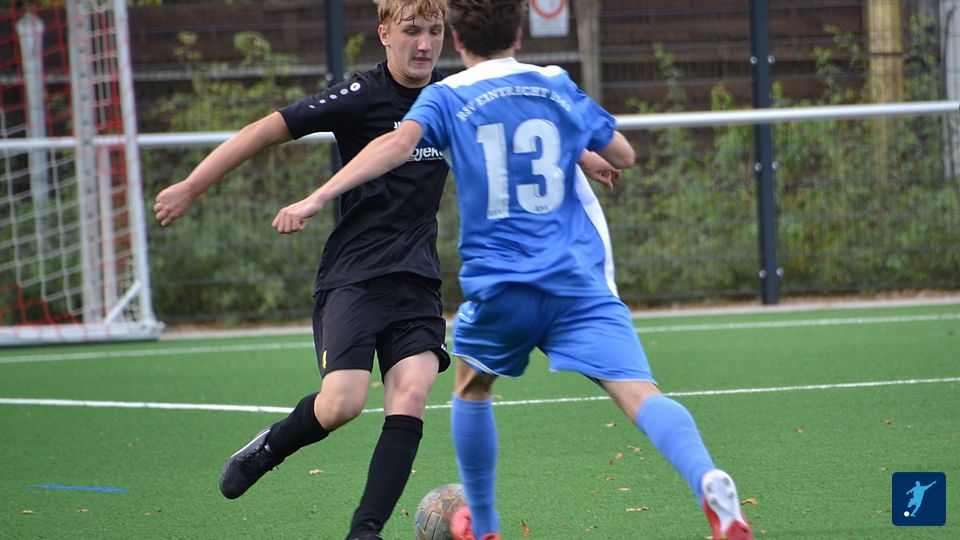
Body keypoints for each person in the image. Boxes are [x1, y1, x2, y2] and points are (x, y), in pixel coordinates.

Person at [268, 1, 753, 539]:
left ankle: (485, 524)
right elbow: (624, 153)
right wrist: (584, 148)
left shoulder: (448, 95)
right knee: (641, 395)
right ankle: (706, 476)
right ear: (519, 34)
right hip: (577, 281)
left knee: (472, 389)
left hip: (504, 285)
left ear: (457, 40)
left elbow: (398, 145)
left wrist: (319, 197)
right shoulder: (554, 83)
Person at [154, 1, 451, 538]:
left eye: (435, 30)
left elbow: (518, 129)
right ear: (384, 34)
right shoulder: (360, 95)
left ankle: (365, 531)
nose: (425, 44)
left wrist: (583, 156)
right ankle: (270, 446)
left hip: (417, 278)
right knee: (341, 405)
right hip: (355, 275)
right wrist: (191, 186)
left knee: (410, 395)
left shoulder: (452, 98)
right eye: (412, 31)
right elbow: (263, 130)